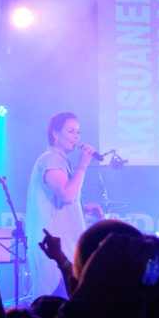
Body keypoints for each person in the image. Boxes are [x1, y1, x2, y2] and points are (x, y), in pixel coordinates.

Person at [24, 111, 102, 299]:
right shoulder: (50, 159)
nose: (77, 137)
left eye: (78, 132)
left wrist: (81, 208)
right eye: (71, 131)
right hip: (55, 246)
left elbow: (62, 199)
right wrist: (82, 166)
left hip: (64, 244)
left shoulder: (60, 161)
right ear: (55, 135)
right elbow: (66, 195)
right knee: (56, 302)